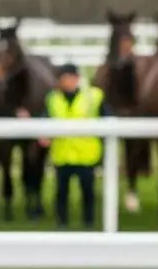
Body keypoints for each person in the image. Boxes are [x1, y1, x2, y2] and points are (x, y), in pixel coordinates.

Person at [41, 63, 108, 230]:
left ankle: (89, 223)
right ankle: (61, 224)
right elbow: (45, 118)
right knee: (61, 193)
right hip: (63, 154)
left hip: (86, 155)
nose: (66, 82)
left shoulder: (93, 96)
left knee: (88, 193)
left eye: (68, 78)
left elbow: (108, 117)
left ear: (76, 79)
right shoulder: (53, 99)